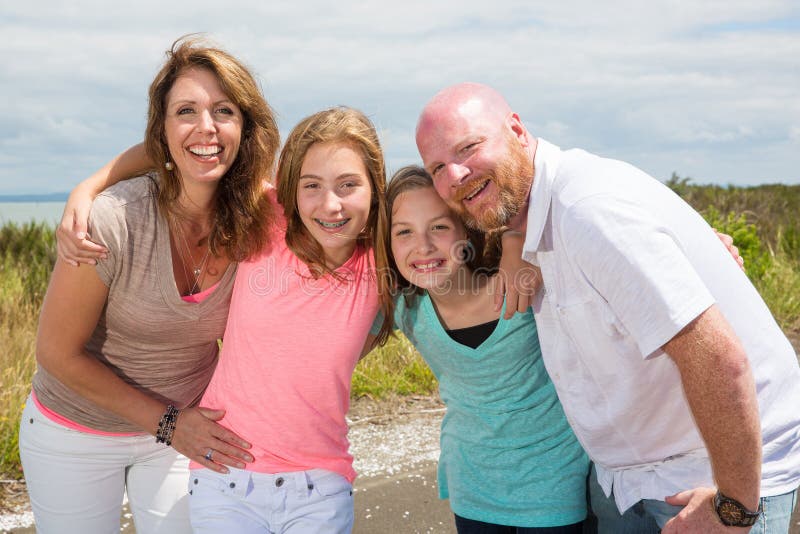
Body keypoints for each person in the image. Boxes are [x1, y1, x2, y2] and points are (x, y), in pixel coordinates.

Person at [414, 82, 800, 533]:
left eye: (469, 147)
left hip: (708, 479)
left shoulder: (588, 212)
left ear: (516, 130)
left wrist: (734, 509)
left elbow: (718, 357)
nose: (455, 175)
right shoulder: (535, 214)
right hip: (625, 480)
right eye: (437, 166)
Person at [57, 106, 395, 533]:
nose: (330, 204)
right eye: (312, 185)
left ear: (375, 188)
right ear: (291, 189)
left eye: (349, 184)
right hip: (226, 475)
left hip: (321, 485)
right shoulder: (268, 219)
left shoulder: (387, 261)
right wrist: (88, 188)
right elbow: (176, 152)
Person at [19, 37, 280, 534]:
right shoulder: (113, 219)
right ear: (162, 130)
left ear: (246, 128)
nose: (207, 127)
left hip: (183, 430)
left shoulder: (262, 219)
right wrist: (168, 422)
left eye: (224, 111)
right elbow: (56, 352)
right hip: (74, 431)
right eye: (186, 111)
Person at [380, 165, 589, 533]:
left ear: (466, 229)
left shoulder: (523, 284)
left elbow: (590, 247)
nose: (424, 246)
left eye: (440, 227)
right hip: (472, 489)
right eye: (404, 232)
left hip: (555, 486)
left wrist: (512, 239)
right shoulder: (406, 311)